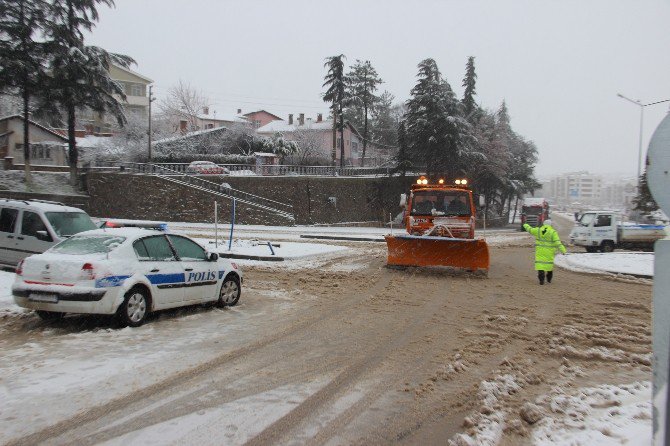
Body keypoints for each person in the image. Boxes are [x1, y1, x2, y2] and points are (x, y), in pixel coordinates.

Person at [522, 219, 566, 285]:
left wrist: (525, 224)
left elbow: (530, 229)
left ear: (544, 224)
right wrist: (563, 250)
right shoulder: (553, 232)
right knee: (549, 266)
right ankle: (549, 279)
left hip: (540, 251)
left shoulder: (538, 230)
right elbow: (558, 243)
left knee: (540, 265)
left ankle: (541, 279)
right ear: (550, 225)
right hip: (549, 252)